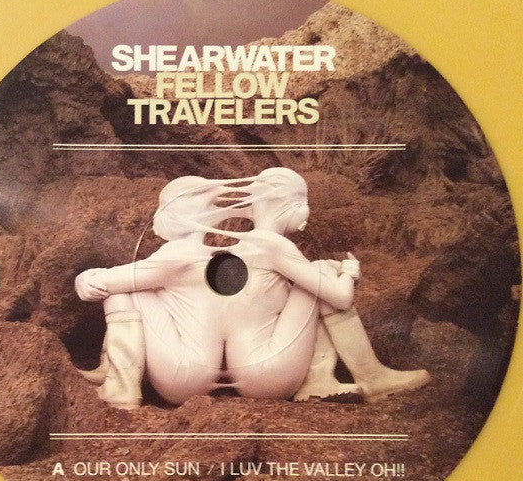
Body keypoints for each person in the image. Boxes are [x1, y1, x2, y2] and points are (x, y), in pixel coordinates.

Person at [75, 168, 429, 408]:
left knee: (128, 290)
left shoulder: (196, 254)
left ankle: (120, 382)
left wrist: (87, 278)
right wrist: (347, 274)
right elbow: (339, 297)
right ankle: (363, 376)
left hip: (182, 379)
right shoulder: (264, 246)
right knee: (320, 276)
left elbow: (108, 283)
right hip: (268, 375)